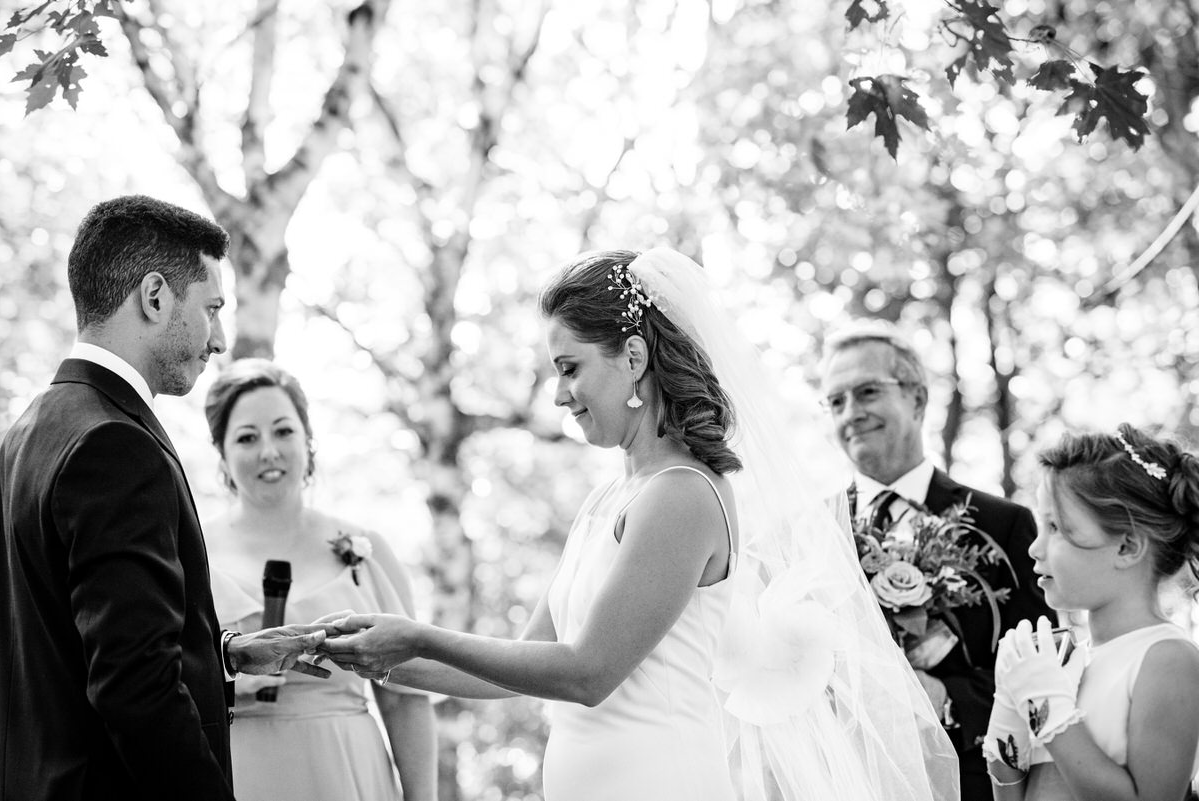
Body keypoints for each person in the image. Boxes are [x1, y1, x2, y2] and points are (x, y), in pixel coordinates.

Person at [316, 248, 959, 801]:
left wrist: (418, 636)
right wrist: (352, 655)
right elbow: (509, 666)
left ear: (631, 357)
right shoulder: (609, 501)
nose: (560, 395)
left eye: (570, 368)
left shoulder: (684, 495)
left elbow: (586, 673)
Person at [0, 195, 331, 801]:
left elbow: (64, 637)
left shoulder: (29, 431)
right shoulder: (114, 446)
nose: (220, 339)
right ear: (154, 297)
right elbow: (136, 688)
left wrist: (223, 653)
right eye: (211, 309)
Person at [820, 321, 1052, 801]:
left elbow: (1041, 672)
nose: (852, 413)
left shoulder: (1002, 524)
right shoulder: (812, 534)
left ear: (917, 399)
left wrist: (949, 699)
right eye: (836, 401)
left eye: (866, 392)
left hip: (970, 782)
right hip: (845, 779)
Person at [202, 358, 437, 801]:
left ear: (308, 440)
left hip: (346, 769)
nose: (268, 450)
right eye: (247, 438)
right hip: (235, 773)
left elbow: (406, 697)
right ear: (223, 453)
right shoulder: (190, 552)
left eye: (283, 431)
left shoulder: (366, 550)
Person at [983, 424, 1199, 800]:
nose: (1035, 548)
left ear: (1127, 547)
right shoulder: (1066, 661)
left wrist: (1047, 710)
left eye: (1057, 528)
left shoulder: (1167, 657)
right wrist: (1009, 719)